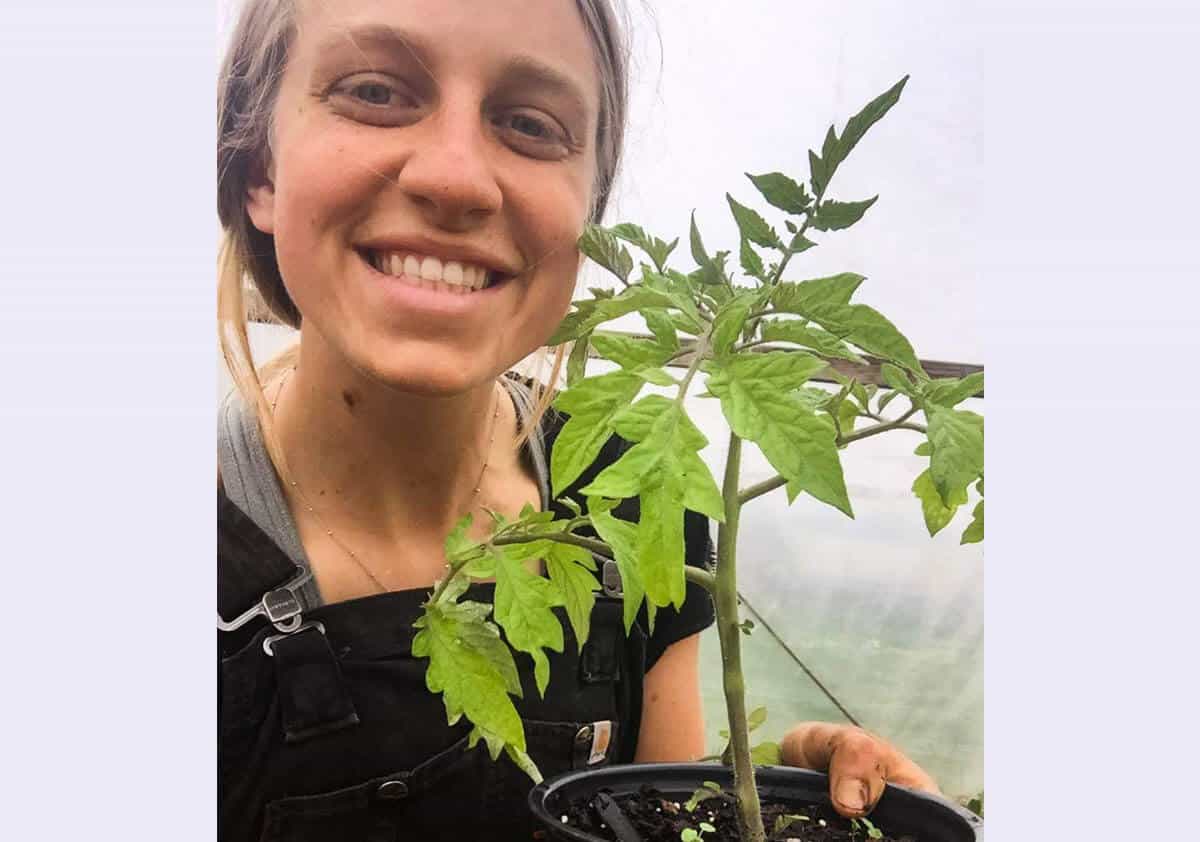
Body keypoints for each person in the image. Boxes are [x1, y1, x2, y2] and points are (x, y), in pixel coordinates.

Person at [216, 1, 940, 839]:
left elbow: (652, 804)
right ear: (255, 174)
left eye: (530, 124)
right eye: (374, 91)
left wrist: (761, 791)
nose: (454, 177)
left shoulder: (635, 493)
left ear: (586, 216)